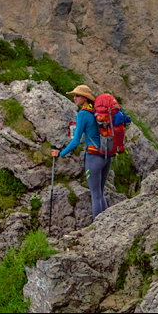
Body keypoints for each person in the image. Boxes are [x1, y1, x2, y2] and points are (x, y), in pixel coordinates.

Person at [51, 84, 111, 220]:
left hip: (93, 158)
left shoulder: (83, 114)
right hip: (106, 155)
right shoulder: (97, 112)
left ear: (85, 98)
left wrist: (61, 153)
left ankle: (98, 228)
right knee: (100, 193)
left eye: (77, 96)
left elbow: (76, 141)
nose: (74, 98)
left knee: (95, 195)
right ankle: (107, 224)